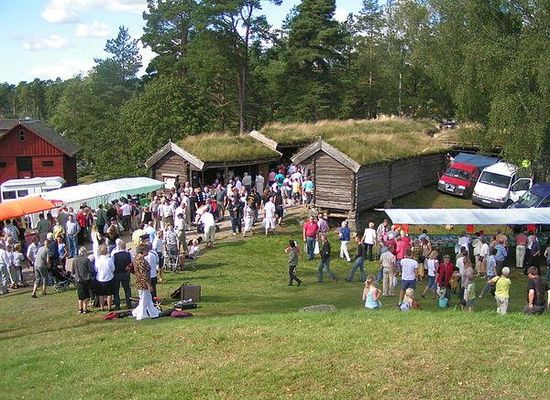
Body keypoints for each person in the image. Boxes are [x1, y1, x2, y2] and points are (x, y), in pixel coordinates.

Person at [132, 244, 160, 321]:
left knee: (148, 299)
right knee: (143, 300)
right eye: (147, 250)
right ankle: (140, 315)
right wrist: (149, 286)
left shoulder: (136, 259)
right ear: (143, 251)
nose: (148, 251)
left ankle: (153, 312)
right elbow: (144, 275)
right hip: (143, 284)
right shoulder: (141, 261)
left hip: (139, 282)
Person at [112, 240, 132, 310]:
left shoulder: (114, 255)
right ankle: (129, 304)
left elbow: (112, 265)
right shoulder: (129, 254)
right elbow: (131, 263)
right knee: (127, 289)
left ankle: (117, 305)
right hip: (126, 273)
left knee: (116, 290)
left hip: (117, 273)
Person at [94, 244, 115, 311]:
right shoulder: (109, 259)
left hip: (100, 279)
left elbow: (96, 269)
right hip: (109, 278)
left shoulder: (98, 260)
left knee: (101, 294)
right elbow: (113, 268)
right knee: (109, 294)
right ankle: (109, 307)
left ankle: (102, 307)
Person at [72, 247, 93, 314]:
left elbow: (72, 272)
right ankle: (85, 309)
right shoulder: (87, 260)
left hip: (78, 280)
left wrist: (76, 277)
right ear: (84, 253)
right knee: (86, 295)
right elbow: (90, 270)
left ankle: (80, 309)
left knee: (80, 296)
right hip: (86, 279)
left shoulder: (75, 260)